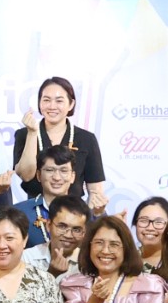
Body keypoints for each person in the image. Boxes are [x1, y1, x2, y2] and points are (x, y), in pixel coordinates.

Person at [13, 77, 106, 211]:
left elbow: (95, 190)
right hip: (35, 212)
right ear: (39, 103)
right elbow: (26, 175)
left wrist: (94, 211)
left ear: (71, 104)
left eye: (59, 101)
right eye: (46, 100)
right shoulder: (24, 134)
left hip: (73, 213)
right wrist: (32, 134)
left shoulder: (87, 139)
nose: (52, 106)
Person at [17, 146, 77, 249]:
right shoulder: (19, 212)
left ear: (72, 176)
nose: (57, 177)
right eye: (50, 170)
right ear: (38, 175)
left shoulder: (84, 213)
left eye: (63, 171)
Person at [22, 195, 89, 278]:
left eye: (76, 230)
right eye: (62, 226)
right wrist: (52, 274)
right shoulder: (27, 258)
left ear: (84, 233)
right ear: (48, 225)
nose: (68, 235)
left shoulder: (88, 262)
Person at [131, 197, 168, 273]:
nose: (150, 228)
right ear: (135, 224)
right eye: (144, 221)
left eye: (158, 222)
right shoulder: (126, 261)